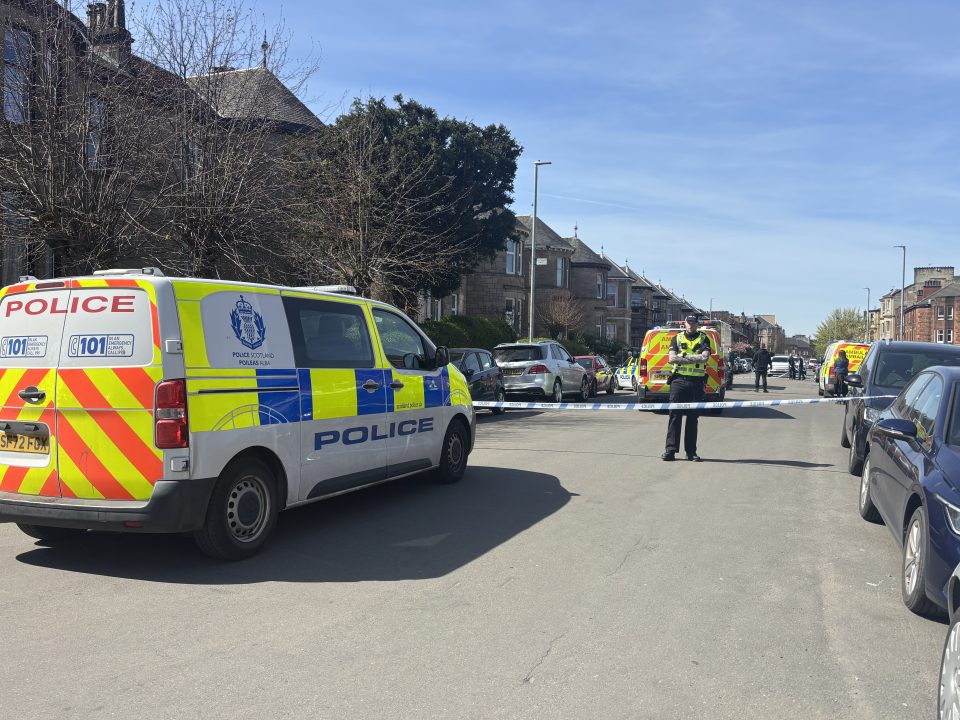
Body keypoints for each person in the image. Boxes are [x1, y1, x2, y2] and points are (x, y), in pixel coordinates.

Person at [662, 315, 711, 462]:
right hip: (678, 381)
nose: (690, 325)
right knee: (674, 417)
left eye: (693, 323)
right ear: (685, 324)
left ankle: (691, 452)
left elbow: (704, 358)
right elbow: (672, 359)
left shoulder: (704, 338)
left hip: (696, 383)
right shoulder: (676, 338)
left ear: (697, 324)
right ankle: (670, 450)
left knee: (692, 418)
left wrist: (683, 355)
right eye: (688, 323)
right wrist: (692, 357)